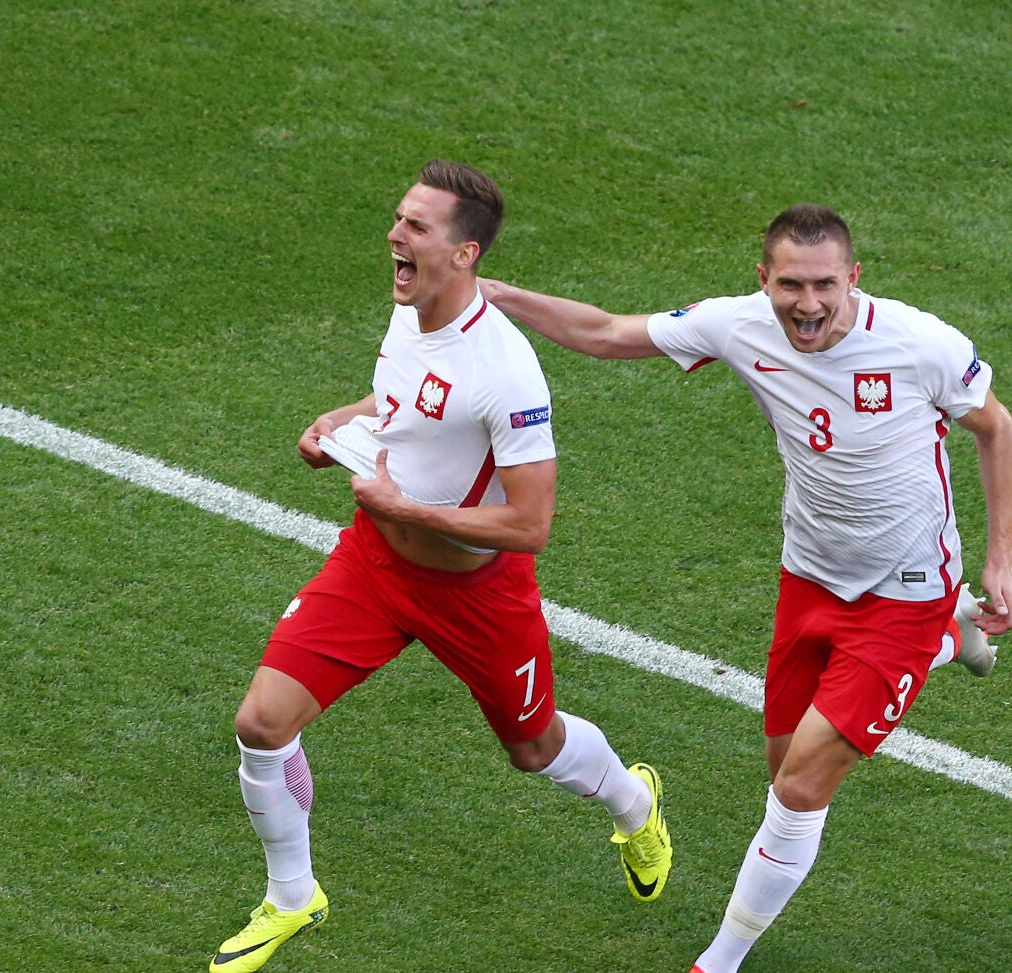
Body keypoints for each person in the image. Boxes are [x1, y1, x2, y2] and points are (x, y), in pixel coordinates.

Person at [480, 203, 1012, 970]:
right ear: (763, 278)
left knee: (800, 788)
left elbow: (995, 429)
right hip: (808, 580)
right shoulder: (737, 325)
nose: (808, 304)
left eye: (825, 284)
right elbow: (605, 332)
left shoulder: (918, 343)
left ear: (854, 278)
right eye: (791, 284)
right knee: (781, 768)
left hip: (905, 590)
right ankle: (951, 638)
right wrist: (498, 295)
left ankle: (719, 961)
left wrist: (998, 558)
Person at [209, 160, 672, 973]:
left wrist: (411, 512)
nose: (396, 234)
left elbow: (531, 523)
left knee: (533, 749)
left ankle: (633, 801)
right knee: (261, 723)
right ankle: (292, 896)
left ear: (465, 254)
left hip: (478, 592)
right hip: (375, 567)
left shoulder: (506, 369)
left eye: (417, 228)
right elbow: (397, 405)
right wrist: (339, 422)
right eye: (399, 218)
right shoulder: (409, 310)